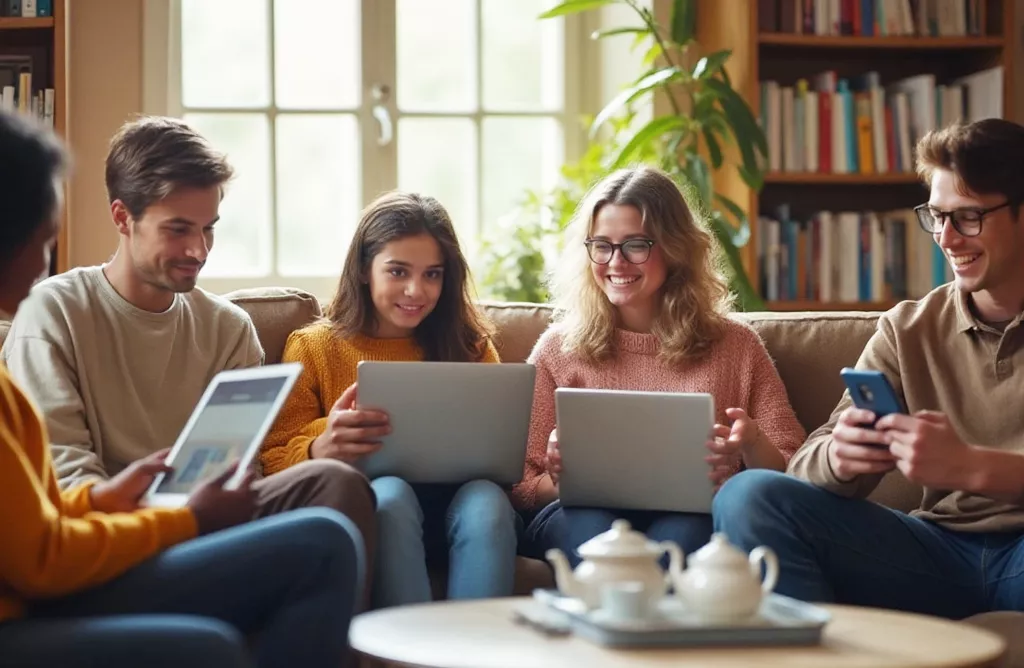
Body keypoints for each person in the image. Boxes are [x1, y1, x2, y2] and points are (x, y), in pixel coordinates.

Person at [0, 109, 363, 668]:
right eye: (178, 228)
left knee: (333, 485)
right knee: (317, 547)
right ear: (123, 217)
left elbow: (253, 468)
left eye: (208, 227)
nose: (198, 249)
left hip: (190, 519)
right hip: (113, 542)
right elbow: (61, 484)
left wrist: (224, 500)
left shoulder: (227, 327)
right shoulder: (55, 312)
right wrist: (167, 513)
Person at [713, 118, 1024, 619]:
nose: (947, 237)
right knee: (750, 495)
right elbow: (806, 464)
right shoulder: (908, 329)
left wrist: (971, 466)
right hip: (934, 553)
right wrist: (842, 457)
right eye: (937, 216)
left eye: (968, 217)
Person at [516, 165, 806, 566]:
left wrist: (748, 446)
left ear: (675, 248)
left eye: (636, 245)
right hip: (577, 514)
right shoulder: (557, 349)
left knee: (683, 538)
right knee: (599, 541)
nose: (616, 262)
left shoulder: (735, 347)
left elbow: (796, 466)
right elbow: (519, 486)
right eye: (602, 245)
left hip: (689, 514)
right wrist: (559, 482)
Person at [260, 191, 519, 608]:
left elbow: (503, 450)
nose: (416, 290)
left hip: (461, 504)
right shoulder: (314, 347)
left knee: (488, 502)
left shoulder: (469, 346)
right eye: (398, 271)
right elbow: (271, 458)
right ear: (364, 269)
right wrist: (318, 446)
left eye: (432, 274)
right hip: (376, 508)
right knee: (392, 494)